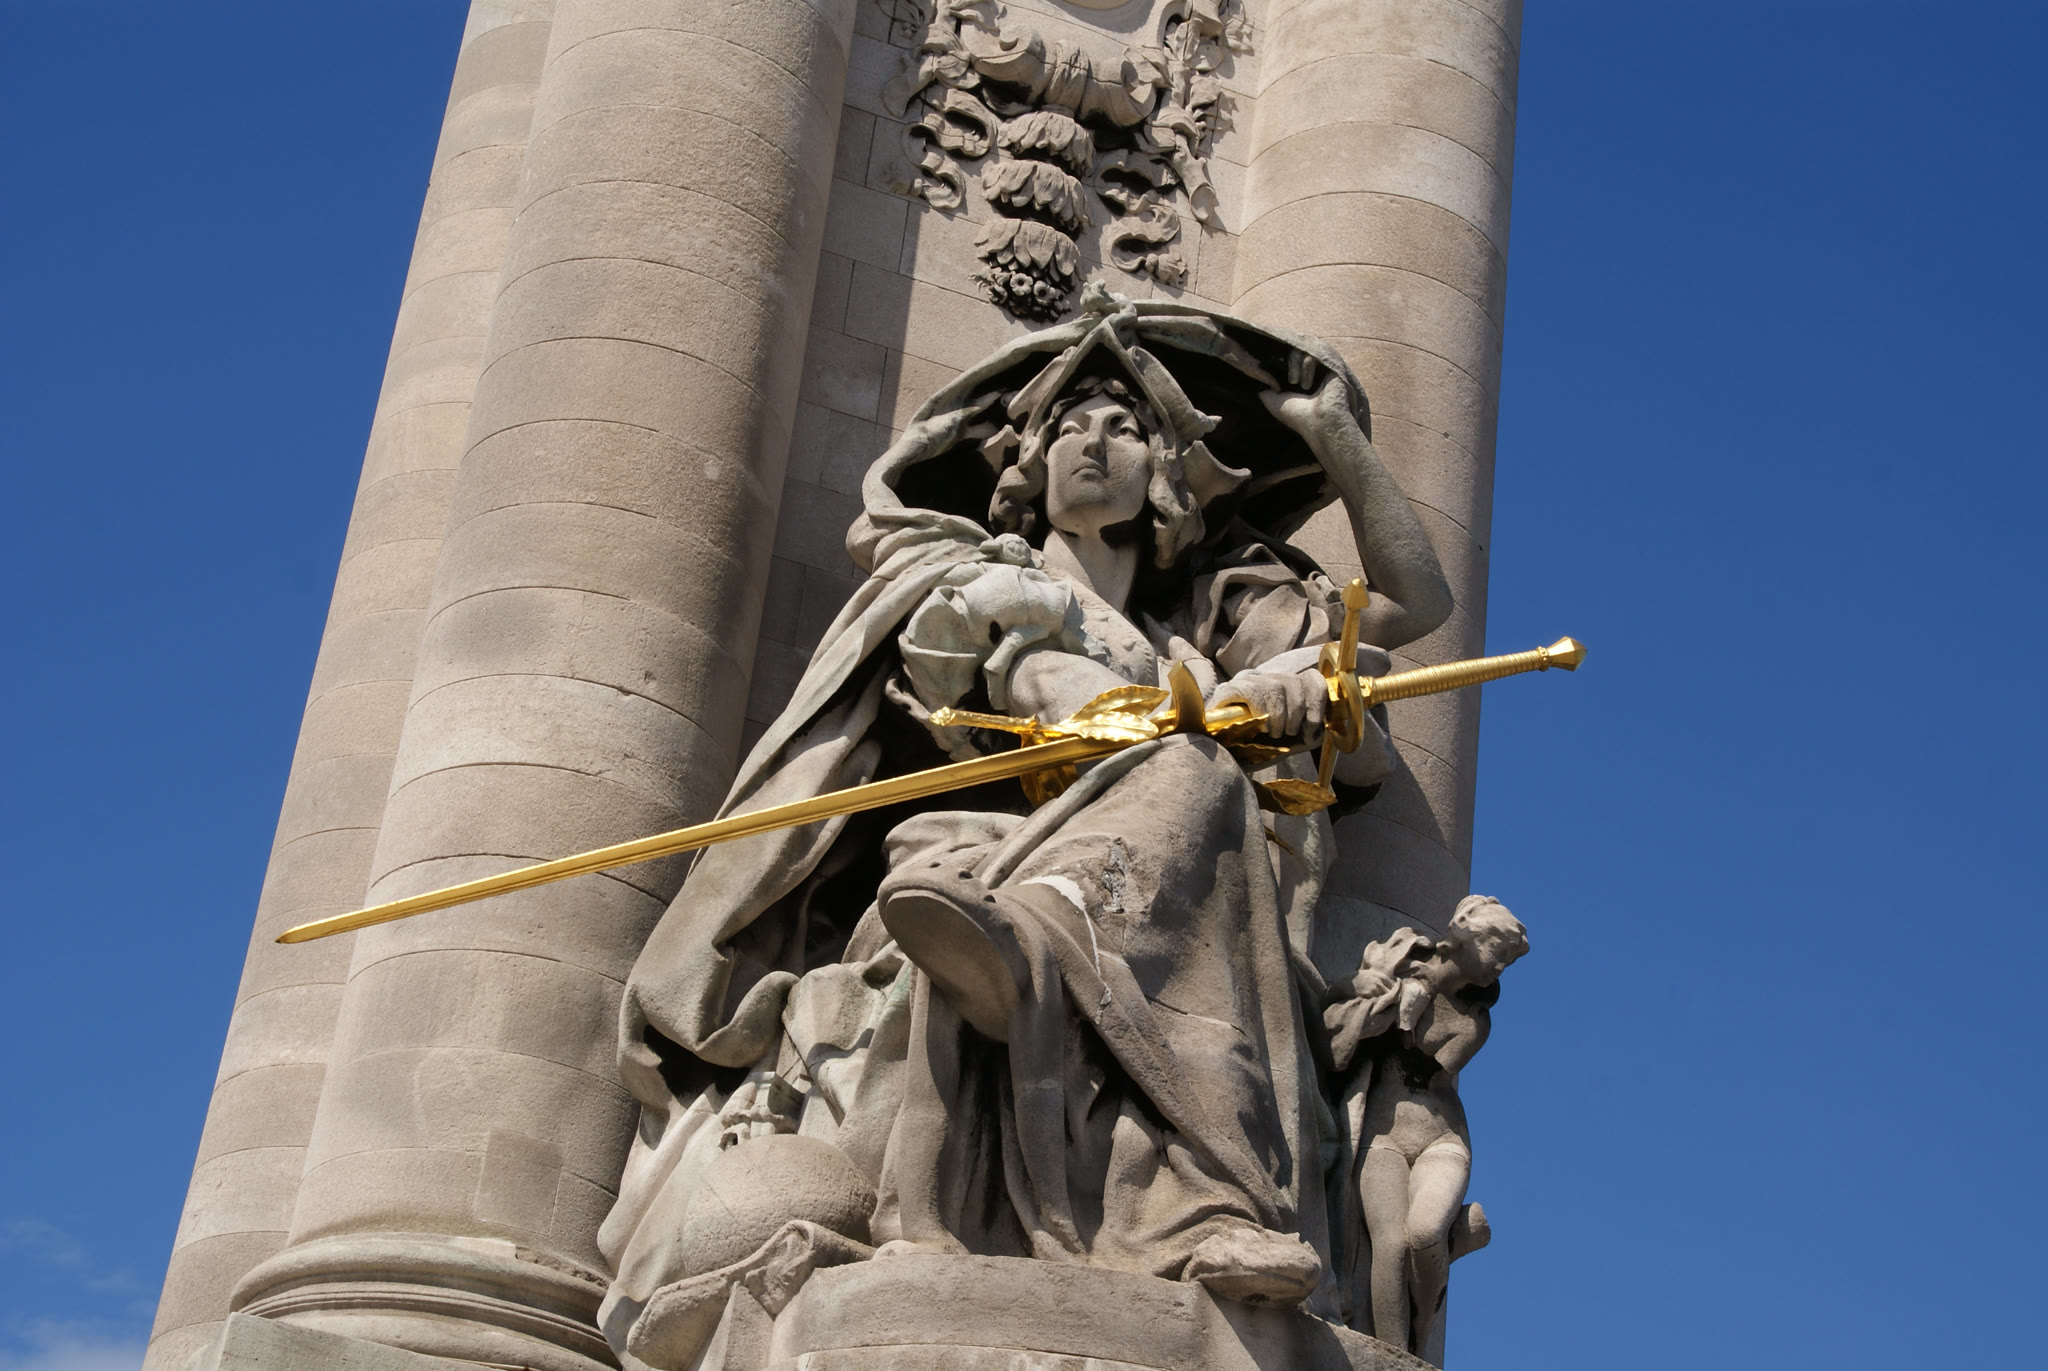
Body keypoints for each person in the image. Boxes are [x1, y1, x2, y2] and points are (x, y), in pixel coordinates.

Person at [598, 297, 1454, 1355]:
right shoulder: (978, 584)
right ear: (1030, 466)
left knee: (1200, 783)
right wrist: (1186, 710)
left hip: (1172, 897)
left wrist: (1328, 476)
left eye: (1124, 428)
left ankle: (1137, 1108)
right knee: (1189, 767)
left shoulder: (1209, 613)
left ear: (1167, 476)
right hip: (981, 858)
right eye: (1069, 428)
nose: (1093, 444)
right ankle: (1056, 959)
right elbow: (1039, 684)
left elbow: (1413, 607)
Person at [1325, 896, 1528, 1353]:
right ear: (1465, 931)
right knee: (1391, 1246)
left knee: (1423, 1232)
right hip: (1382, 1135)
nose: (1500, 967)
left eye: (1508, 961)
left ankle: (1421, 1328)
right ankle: (1394, 1352)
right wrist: (1392, 994)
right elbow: (1334, 1010)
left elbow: (1423, 1071)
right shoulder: (1397, 957)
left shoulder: (1475, 1022)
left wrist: (1405, 1014)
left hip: (1442, 1138)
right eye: (1497, 952)